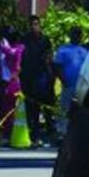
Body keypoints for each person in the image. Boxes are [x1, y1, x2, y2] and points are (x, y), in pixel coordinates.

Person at [20, 15, 54, 145]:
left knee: (46, 106)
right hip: (28, 77)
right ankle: (33, 135)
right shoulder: (24, 39)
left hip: (42, 77)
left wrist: (50, 73)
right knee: (31, 108)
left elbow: (49, 56)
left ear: (40, 25)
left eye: (36, 24)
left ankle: (49, 134)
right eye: (32, 24)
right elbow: (20, 56)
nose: (34, 27)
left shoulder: (45, 40)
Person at [53, 26, 88, 137]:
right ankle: (61, 132)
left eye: (78, 34)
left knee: (80, 111)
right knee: (65, 108)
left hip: (81, 87)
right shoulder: (63, 50)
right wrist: (63, 81)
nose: (77, 36)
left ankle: (76, 134)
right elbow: (57, 67)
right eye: (74, 33)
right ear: (70, 35)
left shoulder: (84, 51)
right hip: (68, 85)